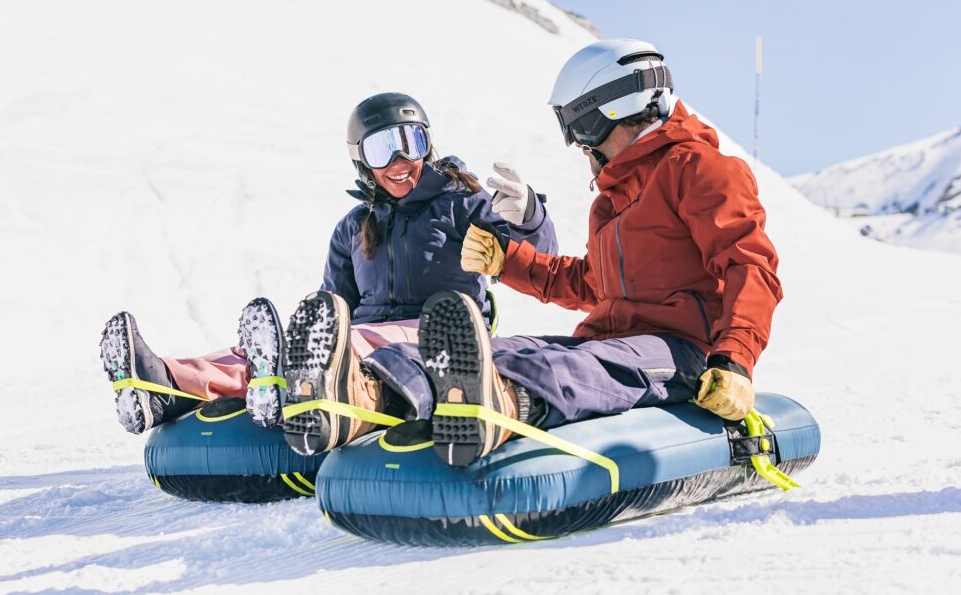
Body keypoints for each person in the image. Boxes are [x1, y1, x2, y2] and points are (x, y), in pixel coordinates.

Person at [297, 38, 783, 468]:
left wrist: (734, 360)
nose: (575, 143)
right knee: (496, 349)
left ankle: (496, 405)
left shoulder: (702, 169)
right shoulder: (613, 198)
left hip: (679, 351)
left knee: (568, 366)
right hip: (609, 340)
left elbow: (750, 265)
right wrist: (507, 262)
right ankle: (362, 400)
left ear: (603, 113)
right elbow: (591, 285)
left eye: (574, 126)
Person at [98, 92, 557, 441]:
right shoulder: (354, 226)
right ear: (361, 159)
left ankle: (291, 376)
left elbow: (539, 262)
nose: (400, 161)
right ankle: (164, 381)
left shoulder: (464, 203)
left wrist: (530, 216)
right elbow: (336, 306)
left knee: (352, 341)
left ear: (428, 146)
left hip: (441, 335)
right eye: (383, 150)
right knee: (286, 347)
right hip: (363, 337)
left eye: (410, 143)